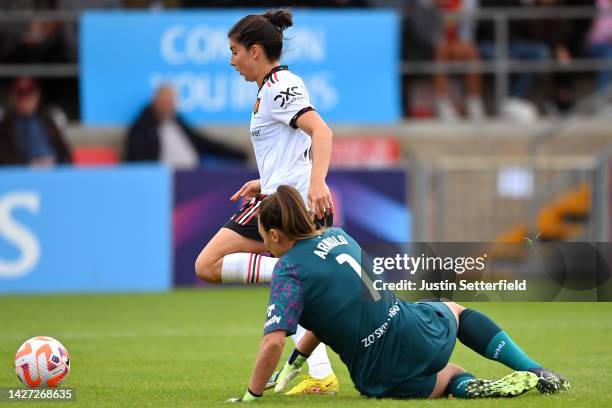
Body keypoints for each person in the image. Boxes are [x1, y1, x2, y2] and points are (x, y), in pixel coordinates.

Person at [227, 185, 571, 402]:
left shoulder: (289, 270)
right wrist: (297, 362)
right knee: (453, 310)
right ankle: (537, 371)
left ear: (273, 234)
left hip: (379, 372)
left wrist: (251, 396)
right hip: (412, 329)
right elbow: (330, 314)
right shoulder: (340, 236)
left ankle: (466, 385)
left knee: (448, 373)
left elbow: (273, 341)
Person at [193, 9, 338, 394]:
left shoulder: (278, 86)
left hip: (288, 205)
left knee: (207, 264)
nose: (231, 60)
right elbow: (292, 149)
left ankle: (301, 277)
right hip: (278, 194)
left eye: (235, 51)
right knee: (219, 266)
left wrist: (317, 181)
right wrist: (264, 180)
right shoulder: (271, 87)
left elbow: (321, 131)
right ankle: (321, 373)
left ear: (255, 51)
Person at [124, 85, 247, 168]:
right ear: (156, 102)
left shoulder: (178, 121)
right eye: (165, 102)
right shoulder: (142, 128)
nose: (169, 106)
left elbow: (203, 142)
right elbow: (137, 160)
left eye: (171, 102)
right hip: (163, 181)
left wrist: (239, 155)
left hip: (193, 173)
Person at [0, 77, 71, 166]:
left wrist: (57, 164)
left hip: (52, 170)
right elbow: (4, 156)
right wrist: (28, 164)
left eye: (29, 95)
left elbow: (64, 151)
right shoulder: (6, 123)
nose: (25, 100)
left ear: (37, 95)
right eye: (21, 95)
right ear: (13, 97)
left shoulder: (50, 117)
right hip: (20, 173)